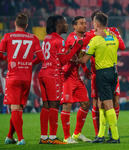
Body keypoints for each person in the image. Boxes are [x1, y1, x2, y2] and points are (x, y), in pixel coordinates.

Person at [34, 15, 82, 144]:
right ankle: (53, 137)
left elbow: (52, 54)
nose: (67, 25)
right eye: (65, 23)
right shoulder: (59, 40)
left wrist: (67, 50)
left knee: (46, 106)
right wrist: (76, 48)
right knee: (54, 105)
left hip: (43, 73)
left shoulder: (47, 38)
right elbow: (63, 61)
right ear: (59, 25)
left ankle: (44, 138)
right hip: (53, 75)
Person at [0, 13, 44, 145]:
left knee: (14, 109)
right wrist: (30, 63)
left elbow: (0, 54)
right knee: (18, 109)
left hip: (13, 77)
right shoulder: (33, 38)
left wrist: (7, 59)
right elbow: (41, 58)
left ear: (14, 23)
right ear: (26, 25)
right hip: (26, 78)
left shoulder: (7, 36)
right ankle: (9, 136)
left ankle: (20, 139)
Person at [78, 13, 120, 143]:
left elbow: (85, 59)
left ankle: (115, 136)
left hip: (102, 73)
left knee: (107, 104)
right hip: (114, 72)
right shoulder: (113, 37)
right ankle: (100, 135)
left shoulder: (95, 40)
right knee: (101, 103)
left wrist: (74, 59)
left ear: (96, 24)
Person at [87, 10, 125, 138]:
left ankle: (111, 132)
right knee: (98, 103)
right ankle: (99, 133)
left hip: (107, 70)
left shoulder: (112, 31)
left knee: (114, 101)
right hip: (97, 72)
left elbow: (123, 46)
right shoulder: (90, 34)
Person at [60, 16, 92, 144]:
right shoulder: (71, 38)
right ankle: (66, 137)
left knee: (85, 103)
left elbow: (80, 57)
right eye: (81, 23)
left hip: (76, 77)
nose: (84, 25)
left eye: (85, 23)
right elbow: (69, 55)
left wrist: (85, 69)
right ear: (74, 26)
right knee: (67, 105)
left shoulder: (83, 39)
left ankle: (77, 133)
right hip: (67, 76)